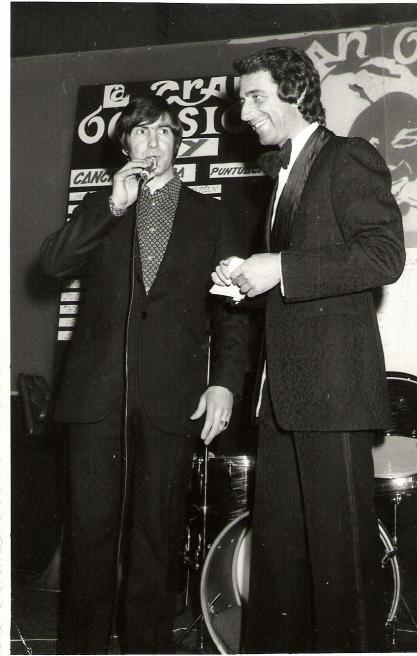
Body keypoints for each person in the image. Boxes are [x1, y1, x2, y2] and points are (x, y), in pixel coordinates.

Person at [212, 47, 406, 653]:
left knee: (341, 573)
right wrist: (246, 281)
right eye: (242, 100)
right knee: (277, 571)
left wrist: (281, 267)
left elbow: (385, 256)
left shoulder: (348, 156)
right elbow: (292, 280)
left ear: (295, 92)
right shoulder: (278, 175)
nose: (245, 113)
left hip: (333, 395)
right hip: (282, 401)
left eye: (256, 97)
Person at [40, 95, 247, 654]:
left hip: (172, 396)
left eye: (163, 132)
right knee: (88, 536)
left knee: (157, 536)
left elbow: (233, 311)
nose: (152, 143)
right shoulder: (102, 204)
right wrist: (113, 204)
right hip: (96, 397)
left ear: (179, 143)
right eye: (141, 133)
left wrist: (224, 382)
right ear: (125, 145)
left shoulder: (211, 214)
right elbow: (53, 264)